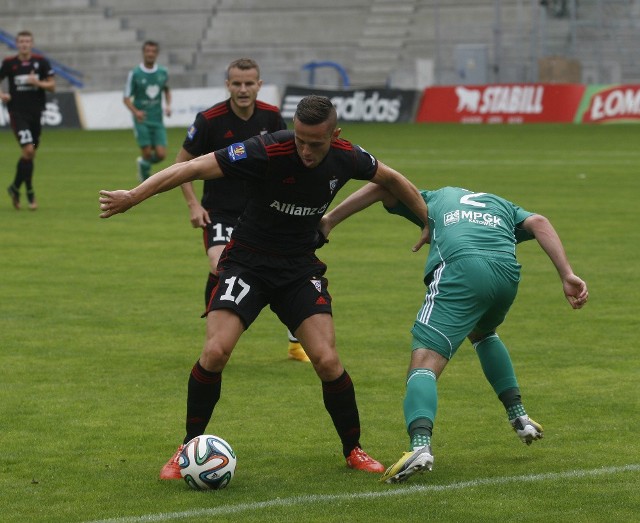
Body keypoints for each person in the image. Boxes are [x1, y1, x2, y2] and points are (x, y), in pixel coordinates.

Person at [99, 95, 430, 479]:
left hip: (297, 267)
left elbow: (389, 178)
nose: (305, 150)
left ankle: (354, 449)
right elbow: (190, 168)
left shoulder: (347, 156)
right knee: (216, 351)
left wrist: (426, 221)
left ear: (334, 135)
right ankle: (187, 448)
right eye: (300, 140)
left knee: (326, 360)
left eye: (315, 143)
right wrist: (134, 196)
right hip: (247, 264)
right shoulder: (266, 149)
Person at [320, 183, 588, 483]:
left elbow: (382, 185)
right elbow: (539, 222)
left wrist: (329, 220)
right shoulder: (499, 203)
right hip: (506, 275)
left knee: (424, 361)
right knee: (483, 332)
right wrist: (567, 274)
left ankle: (419, 446)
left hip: (461, 269)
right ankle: (519, 415)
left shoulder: (434, 198)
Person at [177, 58, 309, 362]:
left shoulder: (272, 117)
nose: (243, 89)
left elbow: (288, 161)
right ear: (228, 86)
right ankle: (213, 328)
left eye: (249, 83)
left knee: (289, 268)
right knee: (219, 263)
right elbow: (181, 164)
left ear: (259, 85)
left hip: (262, 213)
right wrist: (193, 204)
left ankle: (296, 343)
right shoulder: (208, 120)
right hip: (220, 212)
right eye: (236, 83)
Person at [0, 30, 55, 211]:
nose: (24, 44)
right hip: (17, 113)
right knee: (29, 150)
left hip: (35, 114)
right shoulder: (9, 63)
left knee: (29, 155)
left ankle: (15, 188)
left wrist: (37, 82)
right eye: (21, 41)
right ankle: (30, 192)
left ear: (32, 44)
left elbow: (52, 85)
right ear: (16, 44)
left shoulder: (41, 62)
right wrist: (2, 95)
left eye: (27, 41)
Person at [123, 40, 171, 182]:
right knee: (147, 151)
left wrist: (168, 106)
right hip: (141, 119)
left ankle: (143, 164)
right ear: (143, 53)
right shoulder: (135, 74)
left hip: (157, 119)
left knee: (161, 155)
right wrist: (136, 112)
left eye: (153, 51)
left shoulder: (163, 72)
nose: (150, 54)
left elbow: (167, 90)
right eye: (147, 51)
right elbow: (126, 98)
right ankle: (145, 179)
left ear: (157, 54)